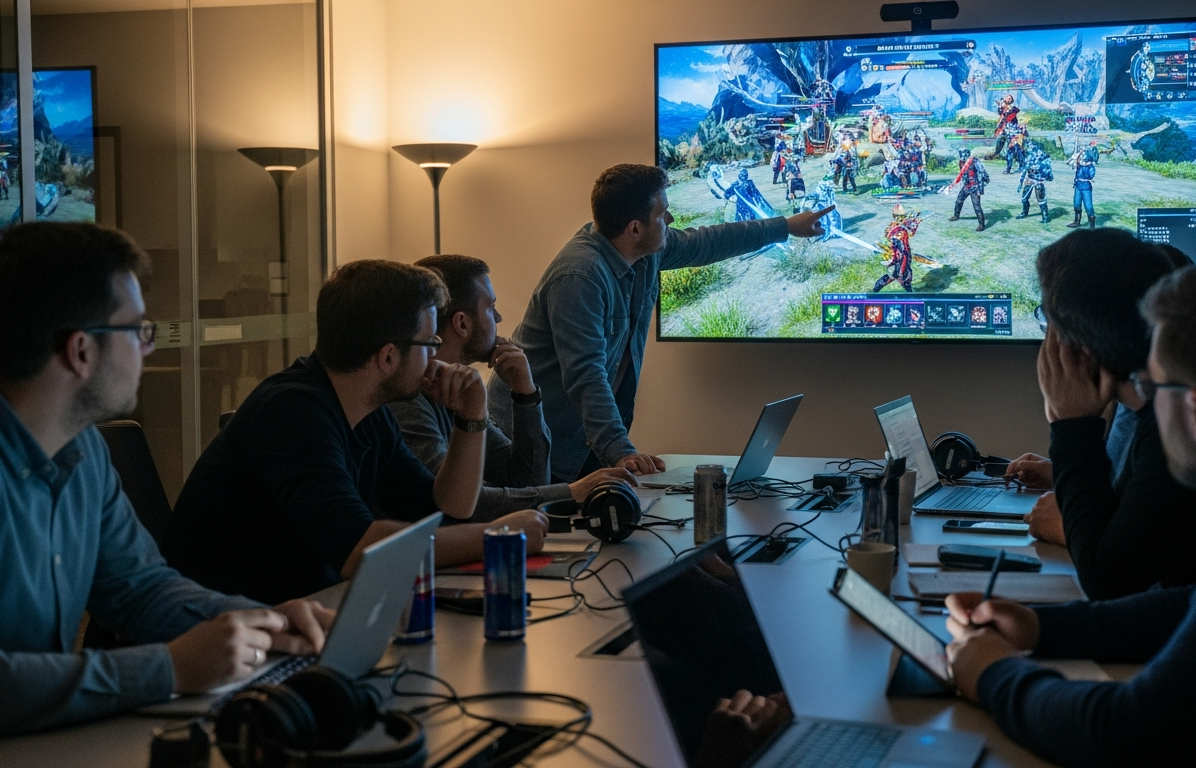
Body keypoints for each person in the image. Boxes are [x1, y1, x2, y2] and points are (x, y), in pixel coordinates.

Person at [946, 259, 1196, 766]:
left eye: (1152, 385)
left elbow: (1131, 733)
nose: (1141, 404)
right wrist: (1042, 628)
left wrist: (993, 675)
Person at [0, 223, 334, 741]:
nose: (148, 348)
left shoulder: (82, 447)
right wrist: (169, 669)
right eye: (137, 330)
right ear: (81, 351)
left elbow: (140, 589)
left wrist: (265, 623)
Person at [164, 260, 548, 605]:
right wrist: (497, 535)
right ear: (388, 356)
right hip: (224, 631)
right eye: (430, 343)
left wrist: (471, 416)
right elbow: (358, 549)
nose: (436, 356)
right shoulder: (292, 412)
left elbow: (449, 508)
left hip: (303, 612)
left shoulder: (369, 413)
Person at [490, 164, 833, 482]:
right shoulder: (580, 277)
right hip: (533, 442)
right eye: (661, 213)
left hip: (587, 436)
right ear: (635, 228)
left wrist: (786, 227)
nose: (670, 218)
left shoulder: (643, 251)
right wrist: (622, 452)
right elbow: (586, 375)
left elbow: (707, 242)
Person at [1005, 229, 1196, 599]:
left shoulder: (1179, 425)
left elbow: (1107, 578)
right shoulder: (1163, 407)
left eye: (1049, 324)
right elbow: (1122, 525)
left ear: (1078, 347)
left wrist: (1071, 425)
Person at [391, 254, 638, 520]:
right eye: (491, 307)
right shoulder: (407, 401)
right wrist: (571, 492)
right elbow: (458, 505)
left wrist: (526, 395)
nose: (498, 317)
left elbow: (528, 480)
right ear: (462, 323)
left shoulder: (456, 388)